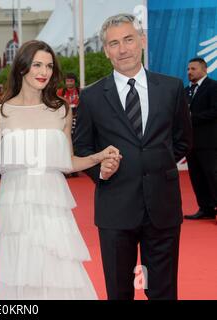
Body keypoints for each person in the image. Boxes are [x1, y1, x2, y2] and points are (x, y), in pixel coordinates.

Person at [0, 40, 121, 300]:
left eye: (48, 66)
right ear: (22, 67)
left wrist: (98, 156)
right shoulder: (0, 113)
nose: (43, 71)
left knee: (60, 275)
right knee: (21, 278)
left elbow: (68, 162)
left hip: (52, 207)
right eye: (37, 64)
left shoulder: (61, 110)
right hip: (15, 210)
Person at [74, 14, 192, 300]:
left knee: (162, 290)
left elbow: (183, 140)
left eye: (128, 39)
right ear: (105, 50)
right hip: (115, 208)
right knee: (119, 291)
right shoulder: (91, 96)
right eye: (114, 43)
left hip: (162, 208)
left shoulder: (172, 88)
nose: (123, 49)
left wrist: (156, 163)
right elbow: (82, 148)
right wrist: (102, 171)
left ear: (142, 41)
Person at [183, 57, 217, 220]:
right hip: (191, 143)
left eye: (193, 69)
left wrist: (191, 117)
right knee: (197, 177)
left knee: (213, 175)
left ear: (205, 69)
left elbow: (215, 111)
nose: (189, 72)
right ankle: (206, 208)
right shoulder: (185, 91)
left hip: (210, 142)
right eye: (188, 69)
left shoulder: (213, 87)